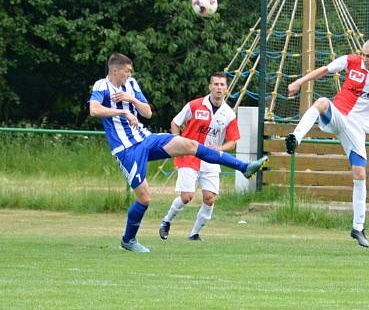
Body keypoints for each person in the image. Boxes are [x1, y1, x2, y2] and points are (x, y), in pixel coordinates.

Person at [89, 54, 266, 254]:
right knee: (145, 198)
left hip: (146, 139)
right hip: (127, 149)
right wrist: (123, 112)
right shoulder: (101, 86)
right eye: (127, 70)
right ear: (115, 70)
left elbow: (147, 112)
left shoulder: (131, 84)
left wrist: (131, 101)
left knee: (191, 144)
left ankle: (244, 167)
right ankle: (128, 240)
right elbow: (94, 110)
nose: (130, 74)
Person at [284, 39, 369, 248]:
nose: (365, 59)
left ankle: (358, 227)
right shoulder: (351, 61)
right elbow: (323, 70)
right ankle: (295, 138)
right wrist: (299, 83)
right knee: (322, 102)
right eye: (363, 55)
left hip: (357, 130)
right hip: (339, 116)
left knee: (360, 174)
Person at [159, 72, 240, 242]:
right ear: (210, 87)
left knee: (209, 199)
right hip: (189, 156)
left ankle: (194, 234)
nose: (219, 88)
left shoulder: (229, 114)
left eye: (222, 85)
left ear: (226, 89)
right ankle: (167, 220)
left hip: (211, 159)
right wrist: (177, 142)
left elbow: (232, 142)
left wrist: (220, 148)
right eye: (216, 84)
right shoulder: (195, 105)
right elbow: (175, 123)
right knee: (187, 196)